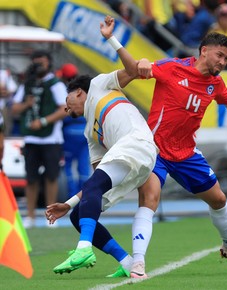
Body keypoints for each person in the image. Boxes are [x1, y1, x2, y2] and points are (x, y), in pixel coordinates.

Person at [103, 18, 227, 278]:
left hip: (186, 152)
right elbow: (137, 68)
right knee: (150, 200)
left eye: (226, 58)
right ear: (204, 51)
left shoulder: (215, 83)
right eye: (220, 56)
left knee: (219, 199)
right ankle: (138, 263)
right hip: (154, 150)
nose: (223, 62)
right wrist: (139, 60)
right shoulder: (172, 68)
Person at [45, 16, 158, 276]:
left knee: (91, 193)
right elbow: (96, 181)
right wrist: (69, 203)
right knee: (79, 214)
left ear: (79, 92)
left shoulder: (98, 85)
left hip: (138, 143)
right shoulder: (90, 133)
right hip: (134, 162)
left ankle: (83, 248)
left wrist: (110, 38)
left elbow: (132, 71)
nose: (66, 107)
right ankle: (127, 263)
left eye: (68, 99)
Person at [11, 50, 67, 228]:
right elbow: (14, 109)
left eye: (41, 63)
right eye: (36, 63)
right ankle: (30, 216)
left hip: (51, 138)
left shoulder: (56, 84)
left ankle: (51, 216)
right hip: (31, 138)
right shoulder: (27, 84)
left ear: (49, 63)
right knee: (31, 178)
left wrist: (43, 121)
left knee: (51, 177)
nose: (38, 67)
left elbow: (63, 109)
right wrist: (26, 105)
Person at [56, 63, 91, 198]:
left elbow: (63, 114)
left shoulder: (65, 92)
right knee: (83, 167)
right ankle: (85, 197)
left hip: (69, 134)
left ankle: (71, 196)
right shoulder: (84, 91)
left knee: (68, 166)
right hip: (84, 133)